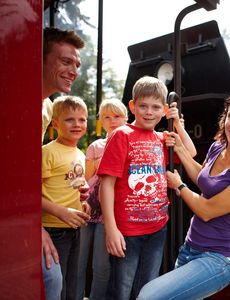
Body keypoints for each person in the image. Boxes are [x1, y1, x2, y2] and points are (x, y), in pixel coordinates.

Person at [138, 89, 230, 300]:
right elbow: (203, 177)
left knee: (149, 296)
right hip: (191, 247)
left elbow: (206, 210)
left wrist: (180, 186)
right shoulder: (218, 148)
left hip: (219, 258)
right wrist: (180, 147)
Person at [97, 76, 196, 299]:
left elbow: (190, 153)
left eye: (155, 107)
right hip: (127, 232)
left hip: (157, 229)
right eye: (143, 106)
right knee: (121, 290)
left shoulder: (163, 138)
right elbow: (107, 183)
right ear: (133, 106)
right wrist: (111, 229)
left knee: (147, 289)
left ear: (164, 110)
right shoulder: (121, 135)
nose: (149, 112)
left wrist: (178, 124)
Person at [41, 27, 85, 300]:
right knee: (52, 279)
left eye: (77, 64)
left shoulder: (46, 106)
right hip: (47, 223)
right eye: (66, 61)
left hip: (70, 227)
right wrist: (37, 226)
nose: (73, 70)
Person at [76, 99, 128, 300]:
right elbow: (87, 177)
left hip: (109, 213)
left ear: (126, 118)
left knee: (101, 264)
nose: (112, 121)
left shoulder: (129, 143)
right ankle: (75, 295)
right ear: (101, 121)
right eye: (107, 117)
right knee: (79, 261)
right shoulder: (96, 146)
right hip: (88, 207)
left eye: (117, 116)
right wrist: (99, 161)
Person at [42, 95, 91, 300]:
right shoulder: (47, 152)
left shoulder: (80, 153)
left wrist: (84, 203)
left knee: (73, 281)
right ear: (55, 124)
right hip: (53, 229)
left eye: (82, 119)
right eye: (70, 119)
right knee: (58, 285)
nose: (77, 124)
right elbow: (29, 195)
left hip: (74, 228)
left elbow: (74, 187)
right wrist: (61, 211)